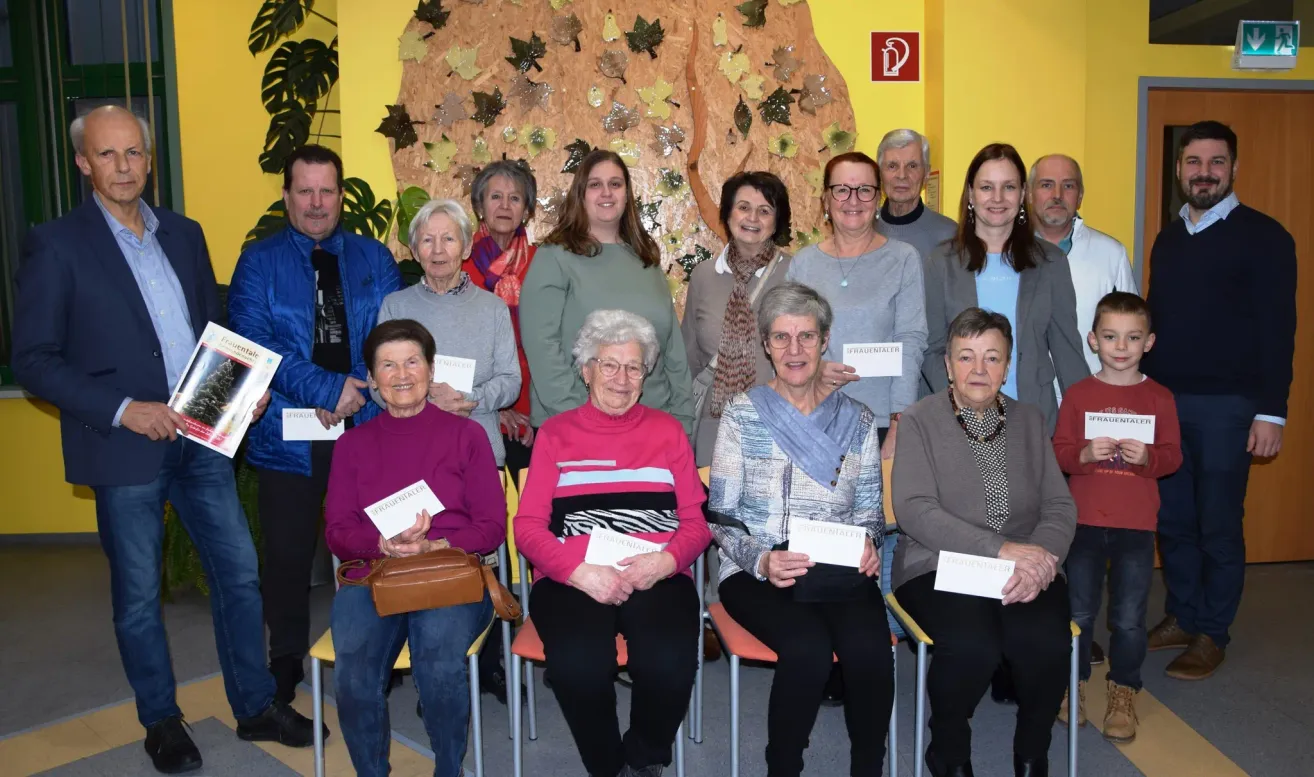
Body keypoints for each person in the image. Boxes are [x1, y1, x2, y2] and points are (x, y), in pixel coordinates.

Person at [12, 105, 313, 774]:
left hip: (203, 433)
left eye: (134, 153)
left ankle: (256, 703)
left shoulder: (184, 232)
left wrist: (243, 388)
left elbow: (212, 326)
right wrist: (124, 409)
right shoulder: (56, 244)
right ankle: (161, 720)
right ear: (84, 163)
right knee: (139, 596)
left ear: (149, 159)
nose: (124, 165)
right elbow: (32, 358)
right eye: (108, 154)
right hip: (126, 447)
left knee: (238, 572)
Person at [227, 144, 403, 704]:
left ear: (341, 196)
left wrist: (353, 388)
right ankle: (284, 660)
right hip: (288, 433)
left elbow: (391, 335)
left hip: (369, 426)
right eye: (304, 190)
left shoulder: (375, 258)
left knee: (379, 542)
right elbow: (257, 341)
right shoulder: (258, 261)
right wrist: (327, 389)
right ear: (286, 196)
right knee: (286, 554)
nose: (316, 202)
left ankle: (384, 645)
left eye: (327, 190)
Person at [514, 309, 711, 777]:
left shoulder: (667, 432)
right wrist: (578, 572)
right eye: (609, 365)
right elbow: (527, 527)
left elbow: (696, 524)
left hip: (656, 573)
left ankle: (644, 756)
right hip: (573, 577)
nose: (622, 379)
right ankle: (608, 766)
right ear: (586, 371)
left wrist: (664, 562)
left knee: (669, 661)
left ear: (646, 374)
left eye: (634, 367)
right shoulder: (556, 435)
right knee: (578, 666)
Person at [708, 282, 892, 777]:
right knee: (808, 650)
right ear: (766, 344)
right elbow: (720, 518)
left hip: (836, 568)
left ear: (825, 340)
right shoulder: (742, 414)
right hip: (758, 570)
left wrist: (870, 544)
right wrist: (761, 559)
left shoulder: (857, 420)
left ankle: (868, 768)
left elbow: (871, 513)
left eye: (806, 337)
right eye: (782, 337)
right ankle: (782, 767)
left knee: (870, 651)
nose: (795, 350)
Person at [892, 307, 1077, 777]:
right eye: (967, 357)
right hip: (939, 562)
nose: (979, 370)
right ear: (948, 365)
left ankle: (1033, 750)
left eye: (992, 358)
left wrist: (1040, 561)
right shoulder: (918, 420)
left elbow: (1060, 507)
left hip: (1024, 561)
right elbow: (915, 509)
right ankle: (949, 750)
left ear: (1008, 365)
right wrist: (1001, 550)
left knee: (1046, 643)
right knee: (973, 646)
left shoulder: (1030, 420)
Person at [1143, 120, 1297, 680]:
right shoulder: (1170, 236)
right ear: (1180, 169)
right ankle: (1182, 614)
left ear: (1232, 168)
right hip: (1167, 403)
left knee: (1218, 523)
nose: (1203, 172)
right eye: (1193, 162)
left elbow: (1280, 330)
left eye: (1215, 162)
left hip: (1230, 409)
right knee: (1175, 520)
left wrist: (1271, 411)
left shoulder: (1266, 237)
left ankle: (1212, 631)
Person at [326, 319, 506, 777]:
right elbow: (338, 530)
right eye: (387, 365)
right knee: (353, 674)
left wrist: (437, 543)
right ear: (371, 378)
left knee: (439, 661)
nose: (402, 374)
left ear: (430, 369)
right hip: (375, 570)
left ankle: (449, 769)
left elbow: (490, 528)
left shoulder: (467, 436)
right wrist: (381, 543)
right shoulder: (352, 445)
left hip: (449, 569)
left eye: (412, 361)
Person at [1051, 292, 1182, 741]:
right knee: (1080, 611)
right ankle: (1074, 685)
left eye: (1132, 337)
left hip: (1136, 524)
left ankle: (1124, 689)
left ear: (1149, 342)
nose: (1120, 346)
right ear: (1093, 340)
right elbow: (1061, 452)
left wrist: (1148, 457)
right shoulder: (1079, 394)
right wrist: (1085, 453)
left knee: (1128, 616)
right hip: (1084, 521)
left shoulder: (1160, 397)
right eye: (1110, 336)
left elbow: (1173, 457)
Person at [519, 150, 695, 433]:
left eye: (615, 184)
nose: (606, 193)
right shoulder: (554, 258)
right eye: (595, 184)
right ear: (581, 194)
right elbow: (542, 350)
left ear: (627, 194)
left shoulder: (645, 261)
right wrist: (582, 421)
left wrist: (683, 421)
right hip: (576, 429)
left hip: (651, 429)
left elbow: (673, 352)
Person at [923, 143, 1088, 436]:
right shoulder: (941, 262)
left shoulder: (1051, 262)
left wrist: (1088, 424)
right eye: (987, 187)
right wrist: (956, 404)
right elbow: (932, 349)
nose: (997, 198)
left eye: (1008, 187)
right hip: (960, 422)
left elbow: (1068, 351)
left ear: (1023, 194)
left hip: (1033, 421)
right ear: (971, 194)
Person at [787, 151, 928, 461]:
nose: (853, 200)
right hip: (813, 419)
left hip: (878, 424)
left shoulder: (903, 259)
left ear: (878, 198)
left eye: (865, 190)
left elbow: (911, 341)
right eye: (842, 189)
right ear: (826, 199)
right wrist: (815, 369)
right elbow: (788, 341)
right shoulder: (803, 264)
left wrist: (898, 423)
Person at [377, 198, 520, 467]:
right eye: (427, 240)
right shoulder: (395, 307)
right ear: (416, 252)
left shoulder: (493, 308)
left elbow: (511, 382)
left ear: (466, 248)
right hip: (411, 452)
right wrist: (423, 400)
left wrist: (467, 399)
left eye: (449, 239)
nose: (438, 250)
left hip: (479, 451)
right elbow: (376, 382)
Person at [681, 171, 793, 467]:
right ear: (728, 213)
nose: (752, 218)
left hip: (778, 425)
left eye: (764, 210)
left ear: (776, 221)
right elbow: (689, 354)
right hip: (713, 426)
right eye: (743, 207)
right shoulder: (704, 275)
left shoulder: (796, 274)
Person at [1028, 154, 1139, 376]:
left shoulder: (1111, 254)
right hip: (1026, 396)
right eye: (1046, 185)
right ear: (1029, 195)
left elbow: (1133, 329)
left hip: (1092, 392)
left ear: (1080, 196)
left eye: (1068, 186)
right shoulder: (1008, 254)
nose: (1057, 195)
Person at [465, 160, 539, 474]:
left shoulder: (543, 264)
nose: (505, 206)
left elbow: (553, 344)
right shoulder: (459, 265)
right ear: (480, 206)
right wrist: (494, 409)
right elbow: (455, 348)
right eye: (496, 197)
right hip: (475, 407)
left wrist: (540, 415)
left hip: (534, 405)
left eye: (515, 198)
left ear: (526, 210)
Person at [873, 129, 958, 398]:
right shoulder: (862, 232)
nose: (901, 176)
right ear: (879, 173)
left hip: (933, 384)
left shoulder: (951, 236)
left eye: (912, 165)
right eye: (892, 166)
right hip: (873, 378)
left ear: (926, 172)